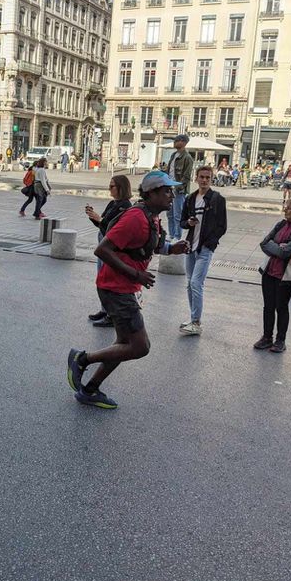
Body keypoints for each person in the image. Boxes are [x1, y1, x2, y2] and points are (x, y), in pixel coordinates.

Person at [67, 170, 189, 409]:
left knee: (123, 345)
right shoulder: (135, 217)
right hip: (116, 288)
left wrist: (172, 249)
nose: (171, 195)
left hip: (122, 287)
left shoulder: (151, 217)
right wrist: (137, 275)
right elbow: (102, 249)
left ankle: (90, 390)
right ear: (151, 193)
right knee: (139, 346)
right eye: (166, 191)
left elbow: (146, 246)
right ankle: (81, 359)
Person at [254, 197, 291, 353]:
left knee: (281, 307)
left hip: (286, 276)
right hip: (269, 272)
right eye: (286, 206)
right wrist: (278, 247)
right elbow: (264, 243)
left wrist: (277, 247)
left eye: (289, 208)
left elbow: (285, 253)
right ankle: (266, 338)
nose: (285, 209)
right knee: (268, 307)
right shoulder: (281, 224)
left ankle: (280, 341)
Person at [179, 165, 227, 336]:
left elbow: (222, 226)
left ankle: (196, 322)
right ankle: (193, 318)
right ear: (196, 178)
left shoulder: (217, 199)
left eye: (208, 177)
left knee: (196, 283)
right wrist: (188, 223)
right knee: (190, 284)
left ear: (211, 179)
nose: (205, 180)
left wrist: (211, 243)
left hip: (205, 247)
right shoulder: (190, 198)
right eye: (202, 177)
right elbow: (182, 222)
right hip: (191, 245)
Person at [86, 175, 133, 327]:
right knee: (101, 280)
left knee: (108, 282)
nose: (109, 189)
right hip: (103, 246)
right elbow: (103, 224)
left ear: (121, 187)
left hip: (110, 250)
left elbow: (114, 229)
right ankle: (105, 310)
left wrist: (100, 220)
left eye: (112, 186)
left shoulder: (125, 206)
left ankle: (112, 315)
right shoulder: (113, 203)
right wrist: (94, 218)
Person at [166, 134, 193, 240]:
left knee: (178, 215)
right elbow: (170, 171)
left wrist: (178, 188)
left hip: (178, 190)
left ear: (183, 142)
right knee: (169, 214)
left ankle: (177, 237)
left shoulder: (187, 158)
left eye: (176, 140)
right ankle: (171, 234)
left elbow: (186, 177)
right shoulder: (173, 155)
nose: (174, 142)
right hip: (169, 188)